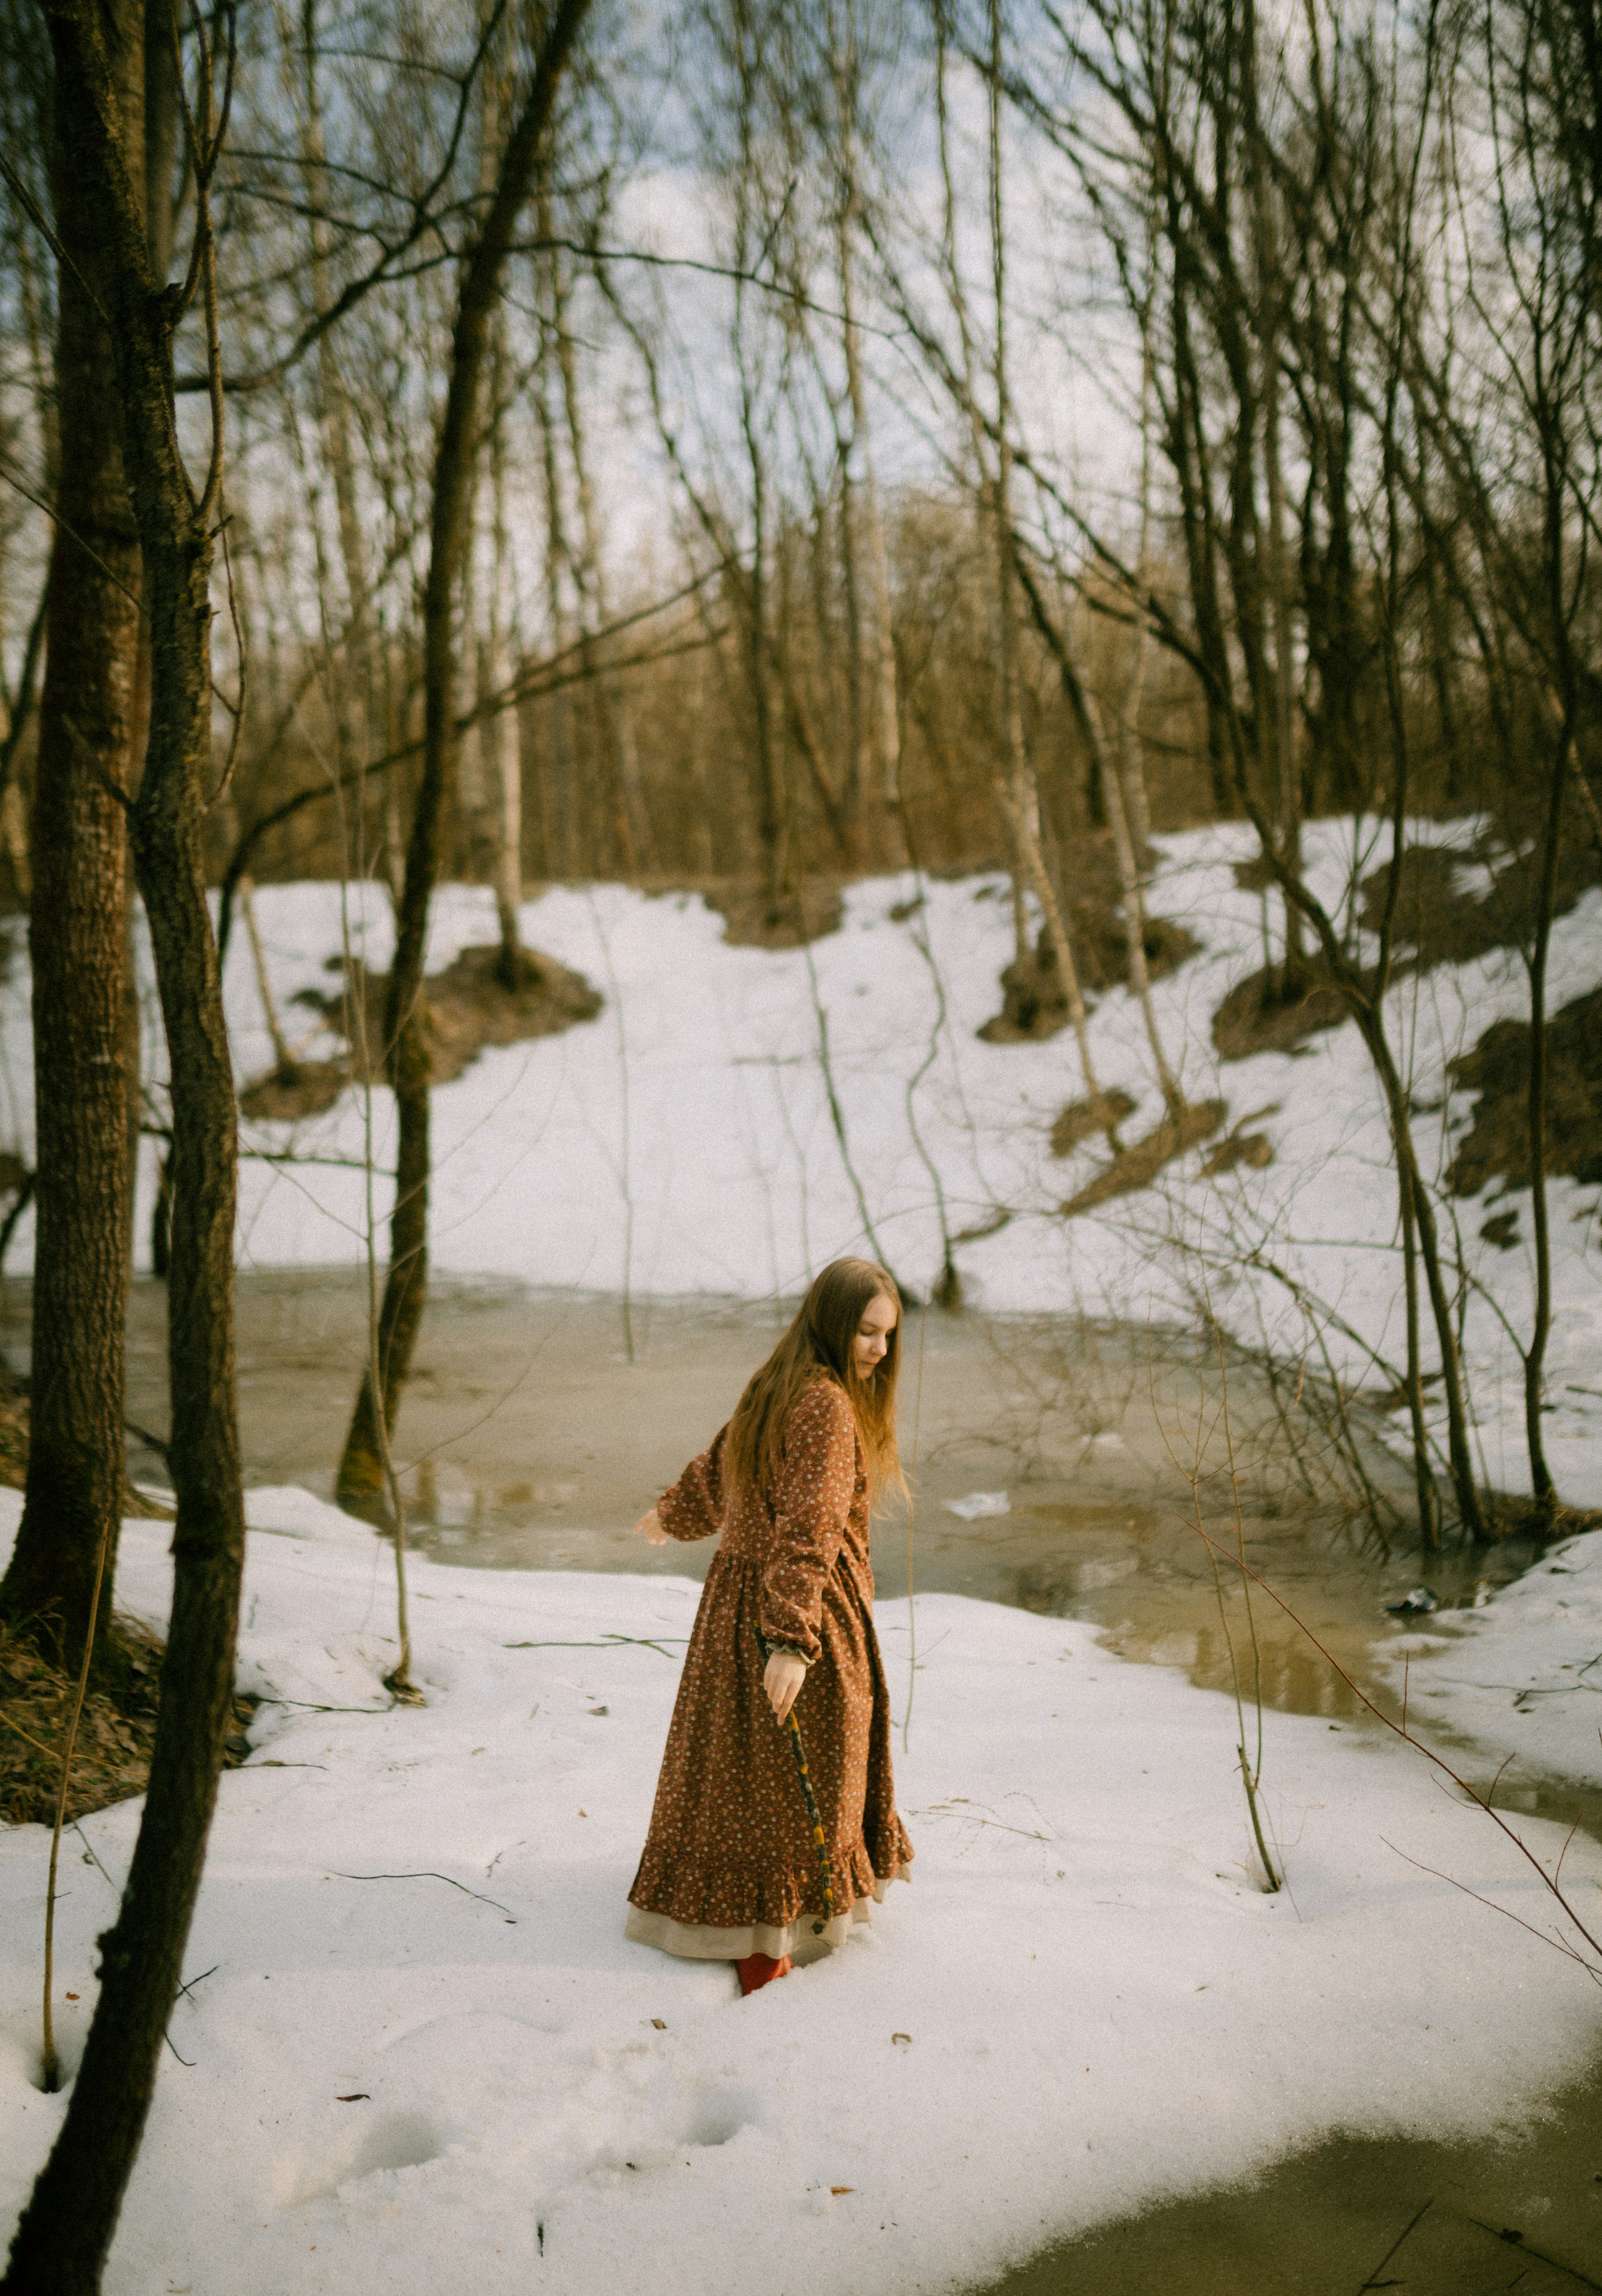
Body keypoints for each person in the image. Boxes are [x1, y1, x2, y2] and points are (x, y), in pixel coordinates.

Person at [625, 1257, 914, 1996]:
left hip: (738, 1601)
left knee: (742, 1770)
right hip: (803, 1603)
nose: (879, 1350)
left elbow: (719, 1466)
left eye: (888, 1335)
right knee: (792, 1777)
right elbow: (808, 1526)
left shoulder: (778, 1382)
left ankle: (749, 1919)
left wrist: (672, 1513)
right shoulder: (825, 1405)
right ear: (830, 1321)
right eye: (866, 1331)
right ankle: (770, 1941)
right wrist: (791, 1640)